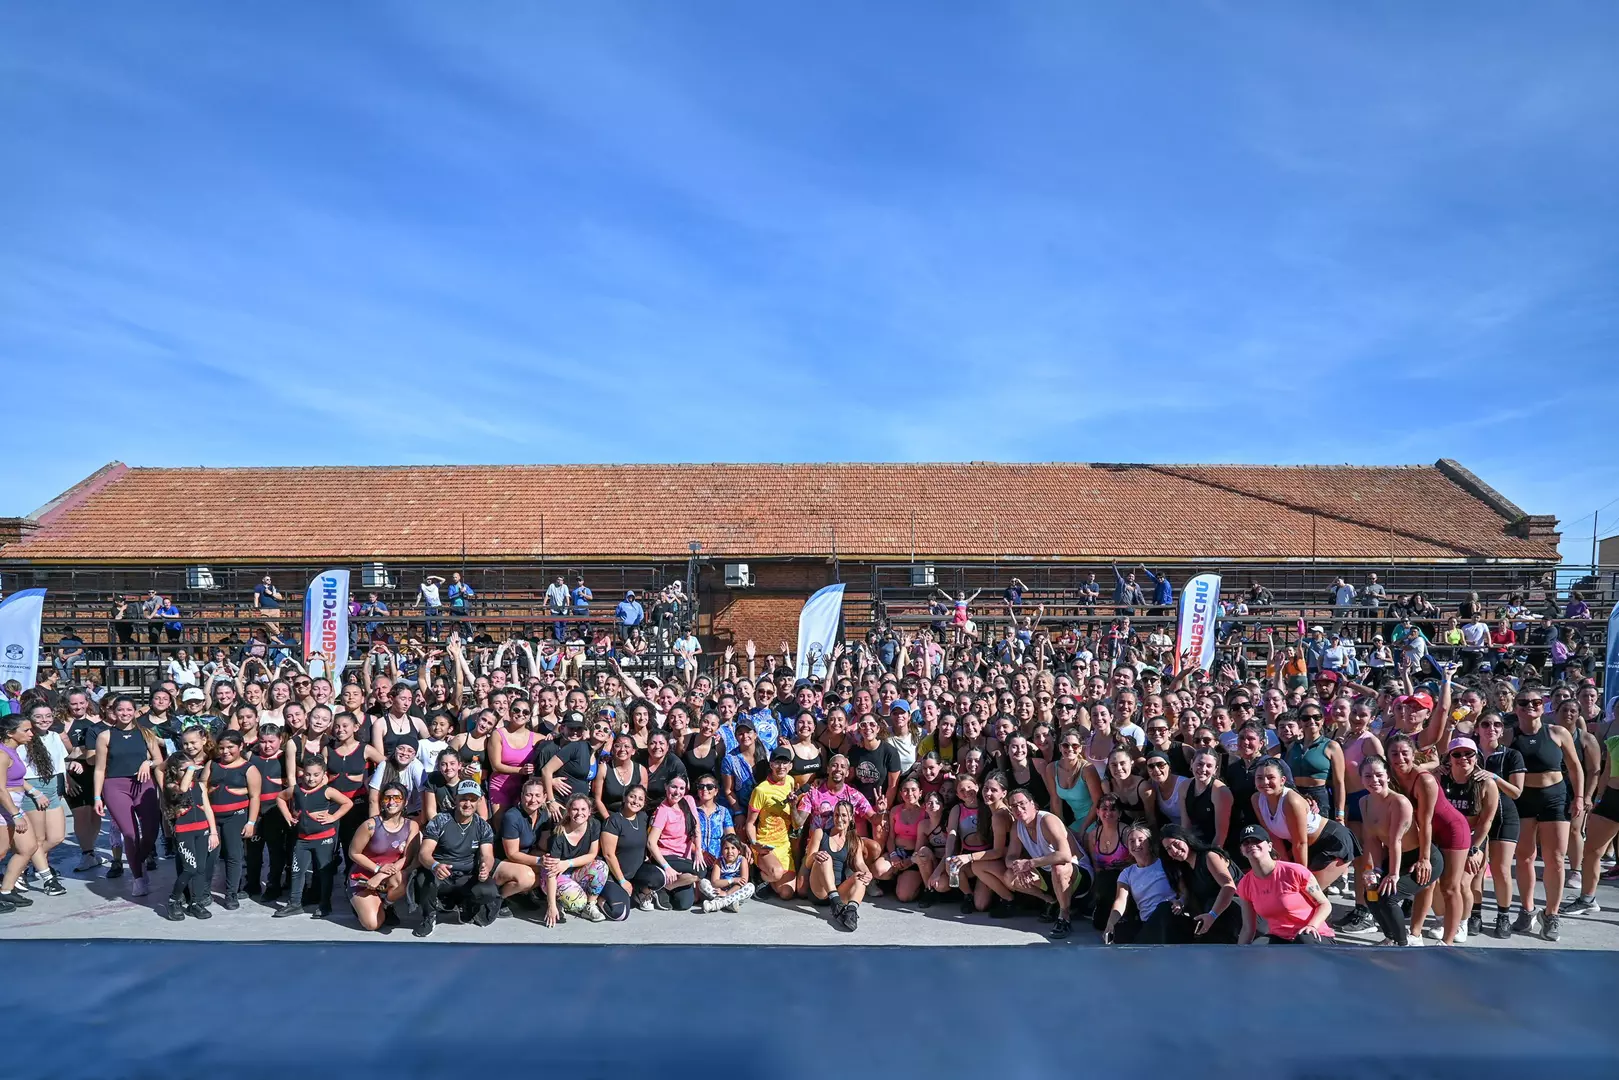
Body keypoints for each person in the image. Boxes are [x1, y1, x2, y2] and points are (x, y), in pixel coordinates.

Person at [1507, 689, 1583, 942]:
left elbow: (1575, 767)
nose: (1530, 706)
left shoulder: (1557, 732)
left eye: (1536, 702)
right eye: (1524, 702)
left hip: (1555, 798)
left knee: (1555, 859)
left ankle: (1551, 914)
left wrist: (1580, 797)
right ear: (1516, 707)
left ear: (1544, 706)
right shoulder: (1509, 735)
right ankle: (1527, 910)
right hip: (1523, 798)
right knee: (1525, 857)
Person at [92, 696, 166, 898]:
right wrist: (97, 797)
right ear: (113, 713)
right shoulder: (105, 736)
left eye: (129, 710)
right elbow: (99, 769)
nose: (125, 714)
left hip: (143, 785)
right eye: (120, 710)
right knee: (130, 834)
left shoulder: (146, 733)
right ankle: (138, 877)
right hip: (116, 786)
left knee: (151, 831)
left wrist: (147, 763)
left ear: (135, 711)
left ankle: (138, 860)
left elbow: (159, 760)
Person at [1249, 759, 1358, 892]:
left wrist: (1299, 875)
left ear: (1282, 780)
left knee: (1307, 893)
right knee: (1296, 893)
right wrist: (1285, 867)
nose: (1265, 782)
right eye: (1259, 778)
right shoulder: (1256, 799)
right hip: (1306, 848)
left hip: (1333, 842)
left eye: (1271, 777)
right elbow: (1272, 836)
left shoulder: (1291, 800)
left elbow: (1300, 843)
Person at [415, 779, 500, 936]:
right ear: (456, 799)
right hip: (441, 873)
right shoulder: (440, 820)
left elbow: (488, 855)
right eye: (464, 799)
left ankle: (466, 905)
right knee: (424, 880)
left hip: (466, 875)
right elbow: (424, 853)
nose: (468, 804)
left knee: (489, 890)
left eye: (472, 799)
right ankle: (429, 916)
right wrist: (435, 866)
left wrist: (485, 867)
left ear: (479, 801)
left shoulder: (483, 826)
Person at [274, 755, 352, 918]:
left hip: (324, 839)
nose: (311, 778)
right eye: (308, 774)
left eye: (316, 775)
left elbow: (347, 803)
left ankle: (324, 905)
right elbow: (280, 798)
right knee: (297, 870)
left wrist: (333, 817)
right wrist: (287, 815)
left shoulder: (327, 790)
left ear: (324, 775)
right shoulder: (296, 789)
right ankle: (295, 903)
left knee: (324, 872)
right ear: (302, 773)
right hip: (302, 839)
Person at [1004, 786, 1086, 939]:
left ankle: (1064, 917)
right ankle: (1051, 900)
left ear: (1033, 804)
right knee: (1010, 876)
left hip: (1078, 873)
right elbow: (1010, 858)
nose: (1019, 808)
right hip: (1047, 872)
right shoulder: (1017, 827)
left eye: (1022, 803)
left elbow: (1065, 856)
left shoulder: (1047, 820)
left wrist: (1028, 864)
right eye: (1014, 806)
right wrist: (1018, 866)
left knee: (1059, 868)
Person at [1438, 736, 1500, 941]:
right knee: (1437, 881)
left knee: (1463, 884)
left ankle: (1462, 923)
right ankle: (1442, 919)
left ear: (1476, 757)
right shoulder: (1440, 779)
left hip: (1473, 839)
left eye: (1468, 754)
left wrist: (1474, 850)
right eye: (1456, 754)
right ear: (1449, 758)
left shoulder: (1486, 784)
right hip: (1444, 836)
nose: (1462, 758)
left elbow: (1486, 822)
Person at [1234, 825, 1334, 944]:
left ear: (1270, 846)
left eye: (1257, 840)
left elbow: (1324, 904)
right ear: (1242, 851)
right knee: (1258, 946)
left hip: (1312, 934)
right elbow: (1248, 928)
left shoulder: (1294, 871)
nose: (1251, 845)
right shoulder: (1245, 884)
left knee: (1303, 939)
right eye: (1246, 842)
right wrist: (1239, 955)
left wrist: (1312, 926)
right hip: (1280, 937)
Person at [159, 730, 219, 920]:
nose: (189, 773)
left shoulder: (199, 785)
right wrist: (192, 769)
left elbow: (207, 809)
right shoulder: (171, 787)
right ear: (175, 771)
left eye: (190, 769)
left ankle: (196, 902)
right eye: (184, 770)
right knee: (189, 868)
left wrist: (213, 832)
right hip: (184, 832)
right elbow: (183, 789)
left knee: (200, 868)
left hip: (201, 830)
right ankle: (173, 900)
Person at [347, 781, 420, 932]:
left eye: (397, 798)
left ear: (405, 801)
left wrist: (380, 875)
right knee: (372, 925)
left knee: (402, 878)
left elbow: (407, 858)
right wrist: (376, 869)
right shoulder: (370, 825)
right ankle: (359, 902)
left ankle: (386, 904)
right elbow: (353, 853)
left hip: (388, 876)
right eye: (387, 798)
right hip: (364, 878)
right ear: (381, 801)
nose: (392, 802)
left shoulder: (411, 826)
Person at [18, 701, 70, 896]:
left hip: (52, 787)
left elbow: (60, 762)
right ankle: (48, 879)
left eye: (48, 716)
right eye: (38, 716)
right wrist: (35, 793)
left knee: (56, 837)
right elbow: (17, 774)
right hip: (33, 789)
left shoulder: (55, 736)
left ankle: (22, 863)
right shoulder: (24, 740)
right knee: (37, 839)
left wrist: (64, 781)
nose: (44, 720)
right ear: (30, 718)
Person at [1160, 823, 1241, 943]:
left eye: (1176, 844)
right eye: (1168, 849)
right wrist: (1180, 903)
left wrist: (1212, 915)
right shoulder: (1184, 868)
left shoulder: (1209, 856)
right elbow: (1186, 895)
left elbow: (1229, 887)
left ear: (1185, 839)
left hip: (1239, 909)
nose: (1174, 851)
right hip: (1214, 917)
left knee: (1210, 904)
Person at [1102, 820, 1178, 944]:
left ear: (1149, 843)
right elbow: (1120, 900)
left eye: (1141, 840)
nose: (1136, 844)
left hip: (1168, 917)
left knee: (1163, 909)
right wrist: (1111, 923)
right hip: (1147, 922)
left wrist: (1180, 902)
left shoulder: (1164, 864)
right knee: (1119, 932)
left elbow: (1183, 890)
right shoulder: (1127, 873)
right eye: (1131, 841)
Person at [540, 793, 608, 926]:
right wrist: (551, 905)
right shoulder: (559, 834)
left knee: (601, 866)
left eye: (583, 809)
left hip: (573, 871)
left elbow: (592, 854)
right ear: (569, 811)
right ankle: (558, 902)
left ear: (589, 812)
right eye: (575, 809)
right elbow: (551, 872)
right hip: (554, 875)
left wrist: (568, 863)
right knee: (577, 903)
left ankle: (590, 905)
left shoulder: (594, 825)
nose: (579, 813)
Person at [599, 784, 665, 920]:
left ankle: (639, 893)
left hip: (636, 873)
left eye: (641, 799)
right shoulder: (613, 821)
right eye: (632, 796)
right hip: (615, 876)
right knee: (619, 914)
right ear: (625, 797)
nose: (636, 801)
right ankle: (599, 898)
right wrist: (622, 881)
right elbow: (608, 854)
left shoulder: (643, 818)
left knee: (660, 877)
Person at [804, 799, 871, 930]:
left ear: (851, 818)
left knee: (860, 876)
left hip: (840, 892)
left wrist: (867, 873)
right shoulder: (821, 833)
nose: (839, 819)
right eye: (836, 815)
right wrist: (815, 856)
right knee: (825, 857)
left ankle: (851, 912)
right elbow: (807, 862)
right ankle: (836, 903)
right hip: (820, 891)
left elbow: (859, 863)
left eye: (844, 815)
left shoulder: (854, 840)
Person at [744, 748, 798, 899]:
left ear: (790, 766)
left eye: (785, 762)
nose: (781, 767)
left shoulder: (791, 781)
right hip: (765, 844)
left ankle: (769, 878)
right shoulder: (761, 790)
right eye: (777, 763)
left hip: (784, 844)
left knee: (787, 894)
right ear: (771, 765)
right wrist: (755, 844)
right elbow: (750, 823)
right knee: (777, 873)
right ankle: (759, 876)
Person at [698, 833, 756, 913]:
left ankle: (718, 904)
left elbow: (743, 881)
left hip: (735, 892)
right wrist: (732, 880)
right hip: (720, 891)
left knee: (750, 887)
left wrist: (727, 893)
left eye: (733, 848)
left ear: (739, 850)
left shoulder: (742, 860)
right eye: (726, 848)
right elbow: (715, 883)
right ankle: (729, 904)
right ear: (722, 850)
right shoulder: (719, 862)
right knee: (702, 882)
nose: (730, 851)